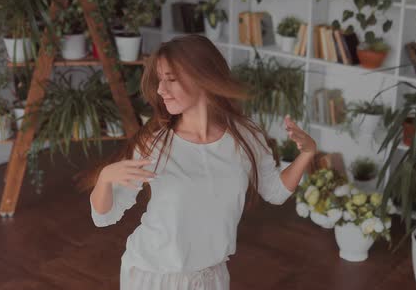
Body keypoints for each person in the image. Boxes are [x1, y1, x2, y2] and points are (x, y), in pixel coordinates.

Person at [88, 34, 316, 289]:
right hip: (153, 275)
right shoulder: (154, 145)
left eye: (170, 79)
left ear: (203, 78)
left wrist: (307, 153)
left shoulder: (246, 136)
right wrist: (105, 178)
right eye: (160, 80)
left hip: (210, 276)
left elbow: (275, 191)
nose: (161, 90)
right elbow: (104, 216)